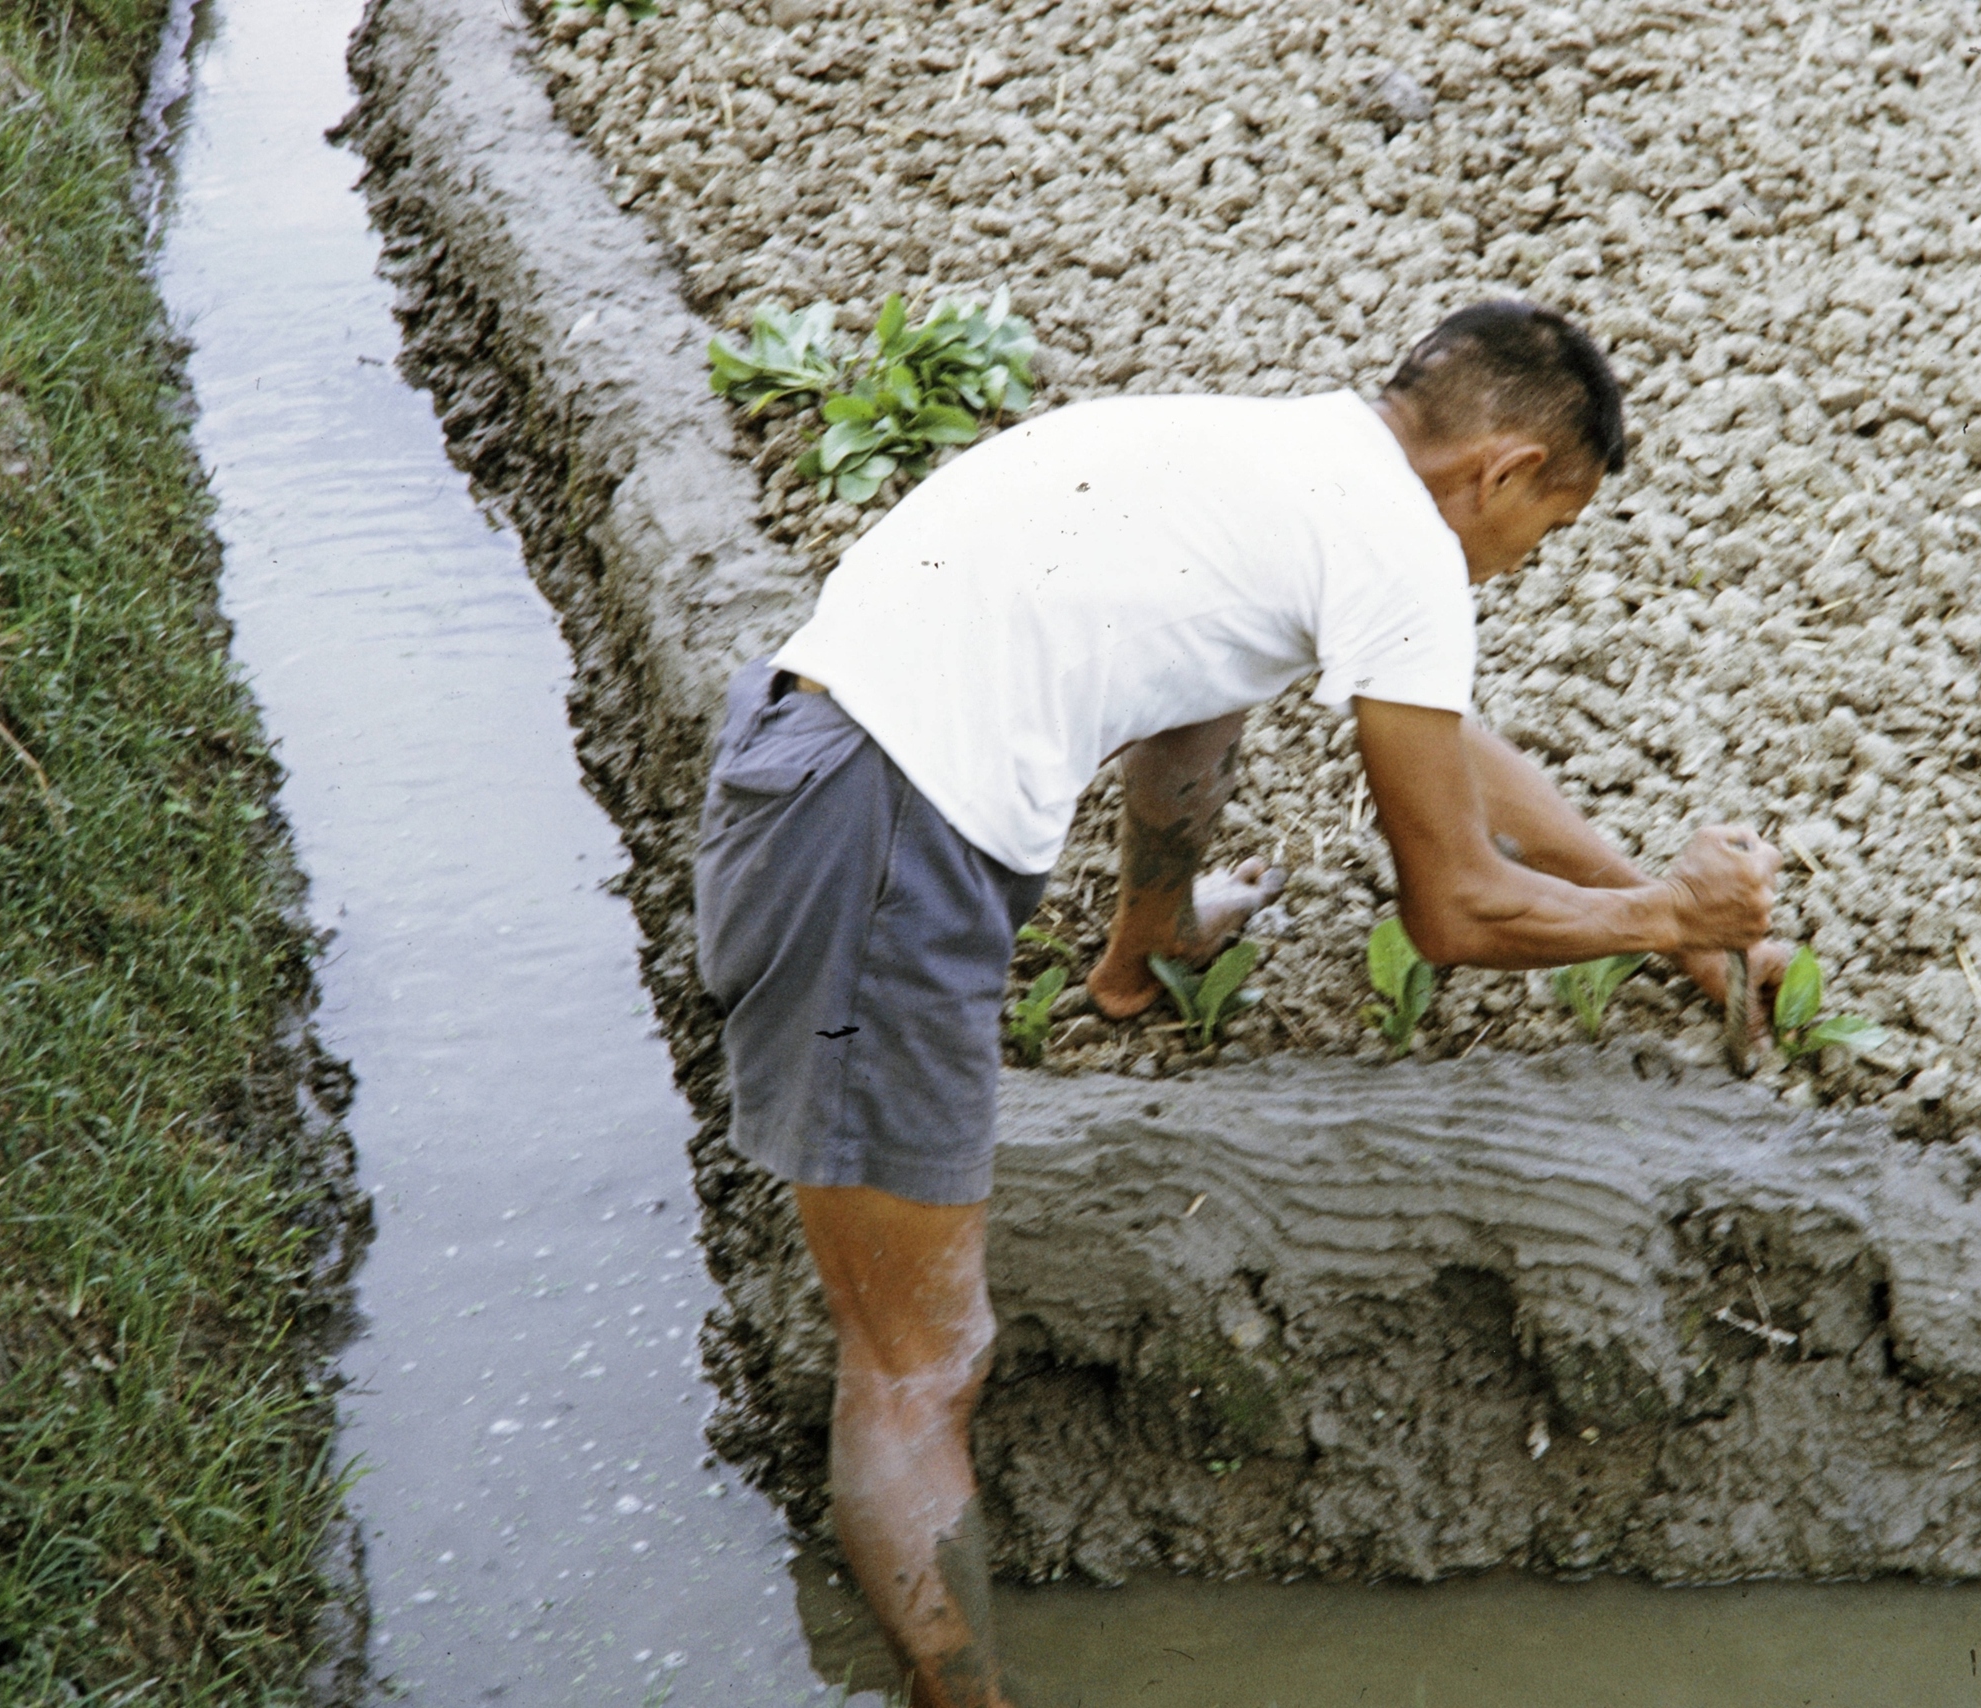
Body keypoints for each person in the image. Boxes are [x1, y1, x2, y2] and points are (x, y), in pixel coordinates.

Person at [692, 299, 1787, 1706]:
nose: (1522, 566)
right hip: (871, 852)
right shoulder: (1403, 548)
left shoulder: (1280, 468)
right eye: (1548, 530)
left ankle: (1133, 964)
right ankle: (960, 1696)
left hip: (825, 768)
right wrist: (1664, 915)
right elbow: (1447, 911)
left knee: (914, 1347)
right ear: (1505, 471)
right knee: (918, 1359)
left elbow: (1219, 725)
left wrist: (1146, 942)